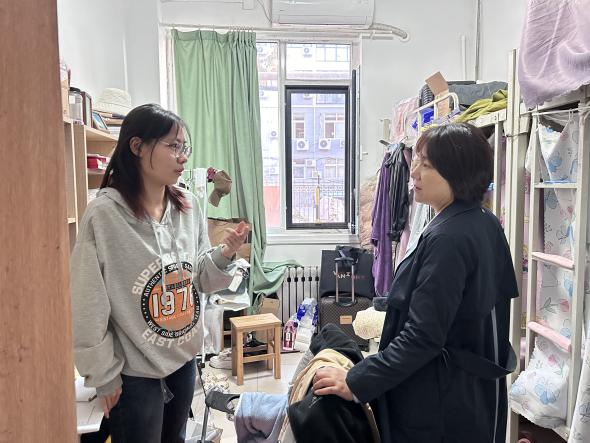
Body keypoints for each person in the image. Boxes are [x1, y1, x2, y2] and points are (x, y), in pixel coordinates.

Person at [313, 123, 518, 443]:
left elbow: (422, 338)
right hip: (473, 394)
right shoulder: (483, 222)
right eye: (417, 161)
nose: (414, 173)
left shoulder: (448, 238)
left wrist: (355, 381)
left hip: (440, 402)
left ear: (457, 173)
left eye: (427, 165)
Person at [71, 104, 249, 443]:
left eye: (185, 147)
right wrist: (103, 376)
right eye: (173, 146)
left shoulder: (188, 205)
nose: (183, 157)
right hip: (134, 374)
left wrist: (225, 253)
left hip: (183, 362)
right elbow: (88, 304)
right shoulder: (103, 216)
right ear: (137, 147)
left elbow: (200, 279)